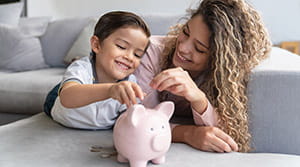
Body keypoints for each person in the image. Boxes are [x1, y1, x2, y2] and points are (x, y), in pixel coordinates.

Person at [134, 0, 271, 152]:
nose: (183, 48)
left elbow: (228, 132)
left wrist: (199, 98)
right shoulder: (151, 53)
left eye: (199, 49)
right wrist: (188, 134)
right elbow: (141, 122)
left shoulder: (224, 76)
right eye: (185, 32)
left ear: (217, 59)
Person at [43, 11, 150, 130]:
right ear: (96, 45)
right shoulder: (82, 68)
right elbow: (67, 98)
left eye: (137, 55)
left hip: (97, 114)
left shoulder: (130, 83)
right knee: (65, 89)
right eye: (121, 47)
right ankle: (65, 84)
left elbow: (129, 119)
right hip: (62, 102)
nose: (130, 57)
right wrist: (110, 90)